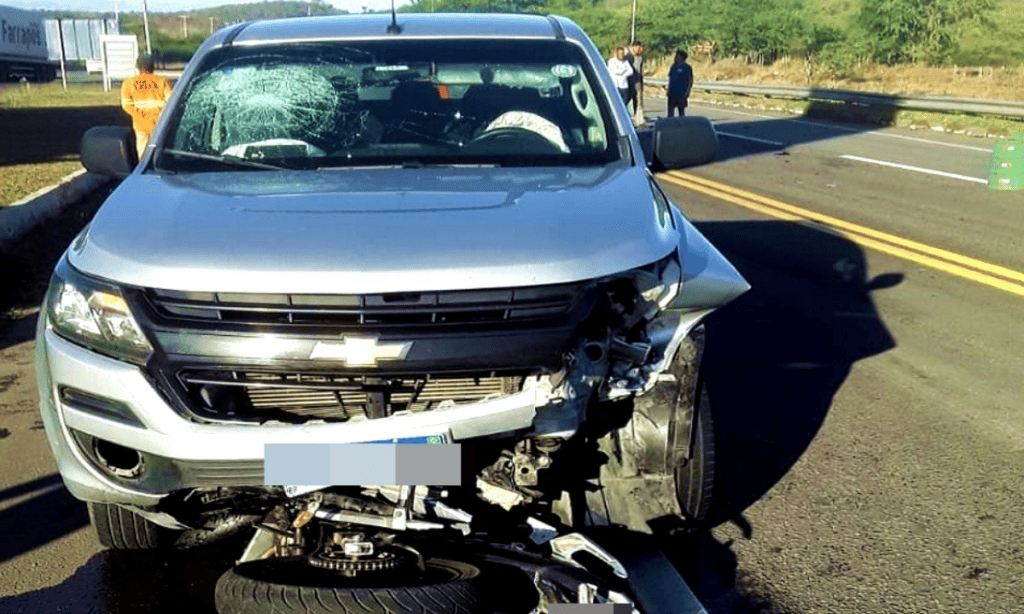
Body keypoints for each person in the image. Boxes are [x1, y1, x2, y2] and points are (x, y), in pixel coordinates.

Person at [120, 54, 173, 158]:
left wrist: (140, 114)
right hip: (160, 123)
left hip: (141, 124)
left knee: (143, 154)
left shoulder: (129, 83)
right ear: (153, 67)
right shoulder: (162, 81)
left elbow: (126, 105)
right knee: (160, 153)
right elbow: (171, 102)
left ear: (138, 67)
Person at [667, 49, 693, 117]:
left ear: (682, 57)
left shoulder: (687, 68)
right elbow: (670, 79)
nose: (676, 57)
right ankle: (670, 124)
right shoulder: (673, 67)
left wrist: (687, 92)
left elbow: (690, 81)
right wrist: (668, 90)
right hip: (672, 92)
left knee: (681, 110)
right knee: (670, 110)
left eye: (678, 56)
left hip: (681, 93)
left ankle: (681, 124)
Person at [628, 40, 645, 122]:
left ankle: (638, 117)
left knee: (638, 100)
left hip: (638, 81)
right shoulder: (628, 57)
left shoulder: (640, 58)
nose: (638, 50)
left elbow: (641, 71)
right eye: (636, 47)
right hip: (629, 82)